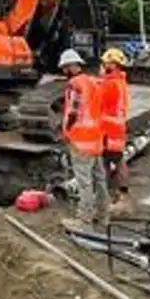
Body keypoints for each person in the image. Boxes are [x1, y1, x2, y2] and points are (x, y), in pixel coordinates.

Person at [59, 48, 109, 226]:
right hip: (95, 139)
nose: (63, 71)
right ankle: (104, 216)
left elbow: (72, 111)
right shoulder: (93, 82)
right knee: (100, 179)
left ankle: (84, 218)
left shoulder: (74, 84)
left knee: (84, 181)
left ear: (70, 66)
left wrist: (66, 131)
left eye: (64, 67)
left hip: (81, 140)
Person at [99, 47, 131, 209]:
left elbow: (99, 103)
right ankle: (117, 194)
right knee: (116, 161)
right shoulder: (120, 81)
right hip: (116, 128)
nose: (104, 66)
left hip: (108, 129)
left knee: (112, 162)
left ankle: (118, 196)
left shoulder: (111, 84)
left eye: (106, 63)